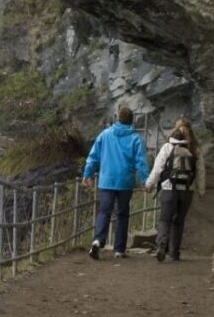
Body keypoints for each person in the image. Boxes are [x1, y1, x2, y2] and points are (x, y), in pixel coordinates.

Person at [83, 106, 149, 259]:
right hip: (125, 182)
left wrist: (88, 174)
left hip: (106, 180)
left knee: (104, 212)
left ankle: (98, 240)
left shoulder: (104, 135)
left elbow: (93, 157)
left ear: (118, 118)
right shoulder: (136, 139)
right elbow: (141, 162)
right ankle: (119, 249)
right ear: (131, 121)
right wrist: (145, 181)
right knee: (122, 214)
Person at [144, 117, 206, 262]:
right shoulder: (195, 149)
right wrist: (201, 190)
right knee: (179, 220)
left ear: (175, 130)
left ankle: (161, 246)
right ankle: (174, 252)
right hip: (187, 190)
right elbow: (201, 171)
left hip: (168, 188)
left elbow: (158, 168)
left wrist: (149, 184)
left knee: (165, 219)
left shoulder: (167, 147)